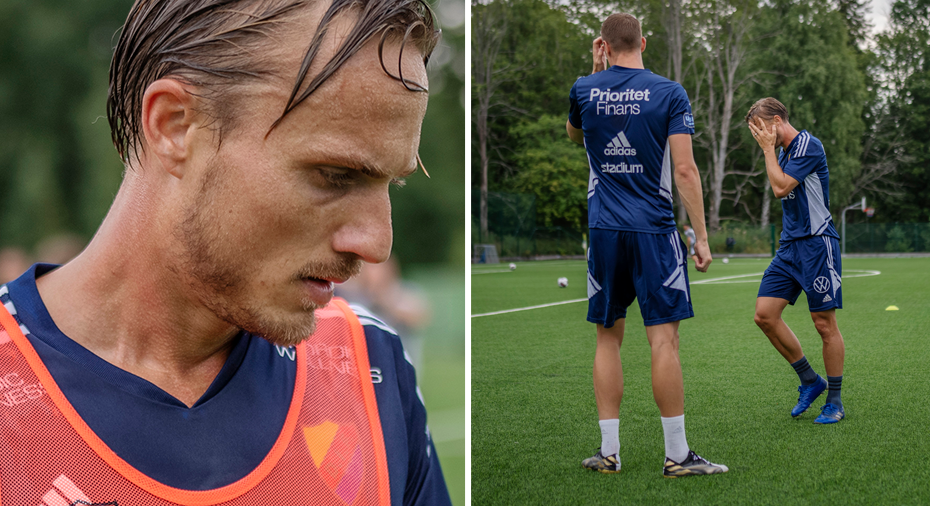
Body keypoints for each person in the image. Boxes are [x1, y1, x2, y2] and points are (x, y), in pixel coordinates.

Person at [0, 0, 452, 504]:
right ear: (174, 125)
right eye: (335, 175)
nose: (377, 244)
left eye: (392, 183)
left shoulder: (369, 368)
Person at [566, 13, 728, 477]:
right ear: (643, 42)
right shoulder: (669, 92)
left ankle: (608, 452)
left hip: (603, 231)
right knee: (664, 340)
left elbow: (576, 134)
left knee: (607, 337)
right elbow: (685, 170)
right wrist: (700, 236)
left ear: (604, 45)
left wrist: (595, 74)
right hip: (654, 230)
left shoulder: (583, 89)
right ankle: (677, 455)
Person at [747, 98, 846, 424]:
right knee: (764, 315)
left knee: (823, 323)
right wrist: (771, 150)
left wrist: (767, 150)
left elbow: (780, 188)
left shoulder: (807, 145)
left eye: (762, 129)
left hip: (817, 245)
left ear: (777, 120)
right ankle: (809, 380)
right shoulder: (784, 154)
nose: (761, 137)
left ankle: (834, 401)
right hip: (789, 248)